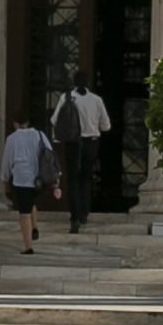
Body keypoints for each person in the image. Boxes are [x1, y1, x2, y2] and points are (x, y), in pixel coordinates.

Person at [50, 75, 115, 233]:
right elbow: (106, 126)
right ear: (87, 84)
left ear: (74, 82)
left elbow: (54, 120)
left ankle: (75, 217)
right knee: (86, 177)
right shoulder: (96, 100)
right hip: (91, 142)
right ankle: (84, 213)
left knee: (73, 179)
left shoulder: (67, 97)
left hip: (73, 143)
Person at [1, 111, 57, 252]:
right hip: (39, 179)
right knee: (31, 201)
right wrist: (56, 176)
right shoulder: (39, 135)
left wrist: (4, 179)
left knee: (24, 212)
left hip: (21, 178)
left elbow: (7, 161)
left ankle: (28, 246)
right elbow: (50, 155)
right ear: (27, 122)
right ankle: (35, 227)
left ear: (15, 123)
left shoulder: (12, 139)